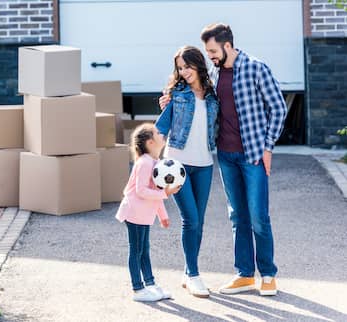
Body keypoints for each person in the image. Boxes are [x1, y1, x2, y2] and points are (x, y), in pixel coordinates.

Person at [160, 23, 287, 296]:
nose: (211, 56)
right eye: (208, 52)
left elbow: (278, 108)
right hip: (226, 156)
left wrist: (268, 148)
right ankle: (244, 274)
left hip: (252, 154)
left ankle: (267, 274)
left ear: (227, 45)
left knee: (258, 217)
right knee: (237, 216)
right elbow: (198, 106)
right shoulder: (215, 73)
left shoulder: (256, 68)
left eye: (213, 50)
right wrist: (169, 102)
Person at [155, 46, 219, 298]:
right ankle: (193, 275)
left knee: (198, 221)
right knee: (190, 219)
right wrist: (147, 162)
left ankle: (188, 271)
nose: (183, 72)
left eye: (187, 67)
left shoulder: (212, 95)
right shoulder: (176, 94)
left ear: (198, 65)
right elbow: (161, 127)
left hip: (204, 164)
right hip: (176, 166)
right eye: (180, 68)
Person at [115, 123, 180, 302]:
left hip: (143, 215)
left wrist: (163, 216)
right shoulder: (144, 162)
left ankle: (150, 285)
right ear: (150, 142)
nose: (162, 134)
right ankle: (138, 289)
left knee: (144, 250)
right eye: (158, 133)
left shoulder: (156, 163)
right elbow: (142, 190)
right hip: (134, 213)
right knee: (136, 250)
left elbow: (154, 193)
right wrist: (165, 193)